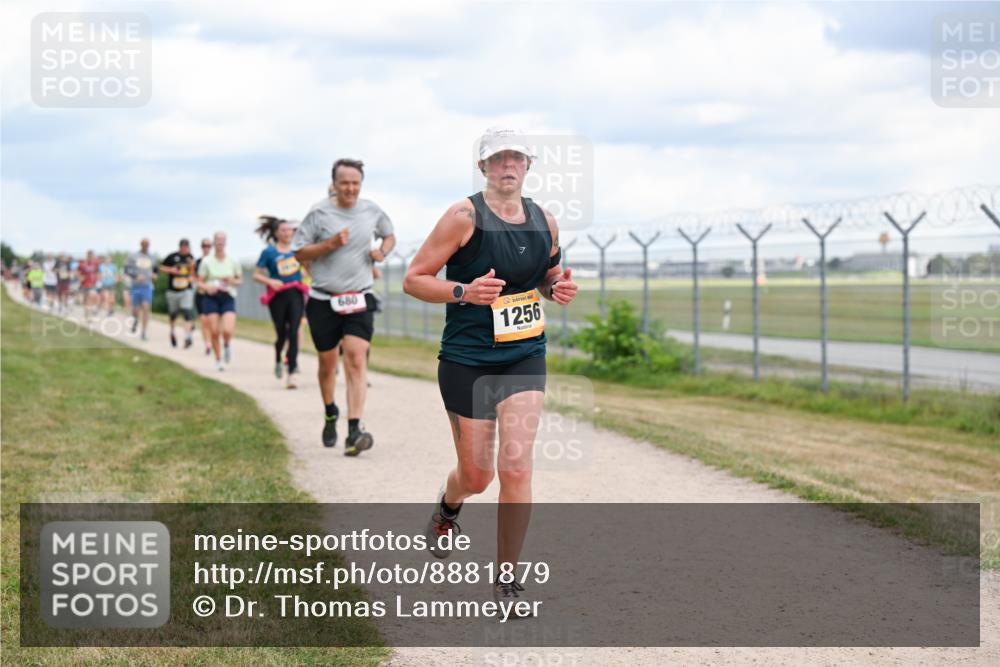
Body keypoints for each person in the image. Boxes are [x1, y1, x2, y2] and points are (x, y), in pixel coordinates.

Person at [403, 127, 578, 607]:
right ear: (482, 167)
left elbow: (547, 273)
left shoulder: (545, 219)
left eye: (516, 158)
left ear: (528, 166)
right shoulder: (463, 217)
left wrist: (555, 287)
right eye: (498, 158)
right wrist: (463, 291)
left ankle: (507, 580)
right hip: (467, 359)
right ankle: (448, 504)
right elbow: (414, 280)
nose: (507, 165)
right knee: (477, 475)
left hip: (524, 353)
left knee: (517, 464)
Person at [292, 158, 395, 456]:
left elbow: (389, 234)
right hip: (324, 299)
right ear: (334, 184)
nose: (350, 188)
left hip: (359, 296)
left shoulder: (371, 210)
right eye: (344, 183)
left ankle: (354, 429)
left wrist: (382, 252)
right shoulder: (319, 212)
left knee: (355, 357)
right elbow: (299, 252)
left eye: (355, 183)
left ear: (360, 184)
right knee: (327, 365)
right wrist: (329, 245)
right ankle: (330, 412)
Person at [254, 216, 308, 389]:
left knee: (294, 331)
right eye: (283, 230)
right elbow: (256, 274)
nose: (287, 233)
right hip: (277, 296)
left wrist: (306, 274)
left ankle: (291, 372)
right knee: (281, 333)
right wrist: (270, 282)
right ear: (276, 233)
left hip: (295, 294)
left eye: (289, 230)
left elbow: (307, 268)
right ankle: (278, 356)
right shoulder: (268, 252)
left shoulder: (299, 249)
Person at [197, 231, 242, 371]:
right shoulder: (206, 261)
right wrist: (207, 287)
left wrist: (231, 280)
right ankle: (218, 359)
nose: (220, 242)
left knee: (227, 330)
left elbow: (240, 280)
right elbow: (199, 282)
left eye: (223, 239)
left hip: (227, 296)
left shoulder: (233, 260)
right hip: (211, 297)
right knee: (215, 331)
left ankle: (227, 344)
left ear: (226, 242)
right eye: (218, 239)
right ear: (214, 242)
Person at [160, 239, 197, 348]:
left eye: (187, 247)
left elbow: (194, 273)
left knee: (187, 312)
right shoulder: (172, 257)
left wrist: (191, 273)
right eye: (183, 247)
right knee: (173, 314)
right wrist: (171, 270)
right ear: (180, 247)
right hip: (173, 290)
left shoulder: (191, 258)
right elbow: (161, 267)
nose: (185, 249)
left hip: (186, 290)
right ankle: (172, 332)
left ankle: (188, 336)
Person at [124, 239, 157, 340]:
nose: (146, 246)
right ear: (141, 245)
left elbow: (156, 269)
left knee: (146, 307)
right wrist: (135, 276)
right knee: (136, 309)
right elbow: (126, 269)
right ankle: (135, 320)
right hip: (136, 285)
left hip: (147, 286)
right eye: (144, 245)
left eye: (147, 245)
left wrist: (155, 275)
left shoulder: (152, 257)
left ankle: (143, 332)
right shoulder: (133, 256)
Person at [194, 238, 213, 355]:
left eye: (208, 246)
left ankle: (212, 339)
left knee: (212, 321)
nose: (206, 248)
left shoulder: (215, 261)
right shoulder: (197, 262)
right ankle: (207, 343)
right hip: (201, 294)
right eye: (204, 246)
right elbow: (193, 277)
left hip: (213, 295)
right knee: (204, 320)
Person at [77, 250, 101, 319]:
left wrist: (98, 278)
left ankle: (91, 311)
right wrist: (80, 277)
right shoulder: (82, 264)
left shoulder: (96, 264)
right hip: (84, 284)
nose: (91, 257)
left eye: (92, 256)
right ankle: (87, 313)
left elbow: (97, 272)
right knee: (84, 300)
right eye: (90, 256)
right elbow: (77, 272)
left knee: (93, 297)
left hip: (92, 284)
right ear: (87, 256)